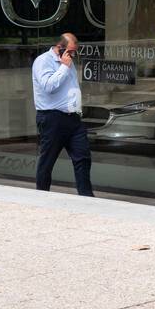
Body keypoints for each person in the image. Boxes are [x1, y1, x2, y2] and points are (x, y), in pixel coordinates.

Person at [32, 32, 94, 196]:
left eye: (74, 52)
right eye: (71, 51)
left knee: (83, 157)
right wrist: (64, 67)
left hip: (73, 118)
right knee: (48, 160)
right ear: (60, 48)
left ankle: (86, 196)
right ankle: (41, 195)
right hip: (52, 118)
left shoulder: (68, 61)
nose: (73, 55)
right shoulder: (43, 61)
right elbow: (48, 86)